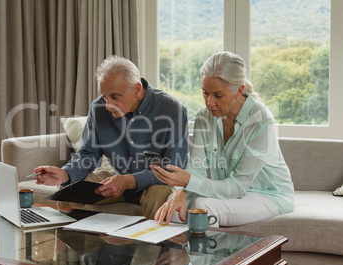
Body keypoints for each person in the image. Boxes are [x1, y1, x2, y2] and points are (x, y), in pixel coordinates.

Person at [34, 55, 189, 219]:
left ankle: (156, 245)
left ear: (136, 89)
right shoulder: (98, 108)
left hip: (156, 183)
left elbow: (173, 167)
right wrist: (65, 174)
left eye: (115, 97)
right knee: (69, 189)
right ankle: (74, 243)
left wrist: (129, 181)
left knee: (156, 196)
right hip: (117, 181)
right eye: (104, 95)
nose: (107, 105)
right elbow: (87, 155)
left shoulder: (172, 109)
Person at [152, 51, 295, 226]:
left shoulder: (260, 120)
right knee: (172, 211)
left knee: (203, 207)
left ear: (239, 90)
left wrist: (188, 182)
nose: (209, 102)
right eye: (205, 93)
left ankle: (211, 255)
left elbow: (237, 187)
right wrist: (180, 192)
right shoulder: (203, 117)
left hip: (269, 195)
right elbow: (196, 169)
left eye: (218, 95)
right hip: (229, 194)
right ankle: (175, 254)